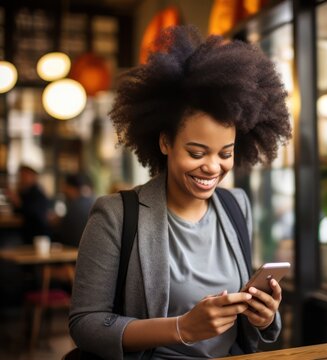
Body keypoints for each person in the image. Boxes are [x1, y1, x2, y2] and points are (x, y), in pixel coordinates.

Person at [69, 25, 292, 359]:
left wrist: (263, 315)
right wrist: (182, 328)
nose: (213, 168)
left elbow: (245, 320)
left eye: (225, 153)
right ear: (164, 142)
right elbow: (85, 324)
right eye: (197, 153)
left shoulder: (236, 205)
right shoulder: (116, 214)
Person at [5, 163, 51, 244]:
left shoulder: (37, 194)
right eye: (20, 175)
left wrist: (18, 202)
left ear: (33, 177)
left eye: (24, 175)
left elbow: (34, 214)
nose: (21, 178)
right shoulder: (24, 192)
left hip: (36, 235)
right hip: (24, 232)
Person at [50, 173, 95, 247]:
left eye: (65, 187)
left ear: (71, 188)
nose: (63, 190)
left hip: (73, 252)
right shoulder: (92, 201)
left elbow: (64, 235)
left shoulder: (75, 207)